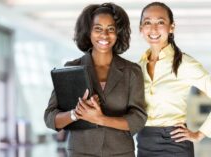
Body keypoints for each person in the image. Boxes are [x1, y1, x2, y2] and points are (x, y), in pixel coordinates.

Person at [44, 3, 147, 157]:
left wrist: (101, 119)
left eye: (110, 29)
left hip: (121, 153)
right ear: (89, 32)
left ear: (118, 32)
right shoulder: (71, 68)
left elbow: (138, 119)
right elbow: (50, 118)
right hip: (81, 152)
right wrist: (75, 114)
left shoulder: (132, 71)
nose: (104, 35)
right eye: (98, 28)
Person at [136, 2, 211, 157]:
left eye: (160, 22)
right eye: (147, 22)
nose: (153, 29)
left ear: (171, 27)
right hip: (144, 142)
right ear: (141, 28)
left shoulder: (184, 64)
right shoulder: (138, 67)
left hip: (175, 143)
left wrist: (200, 134)